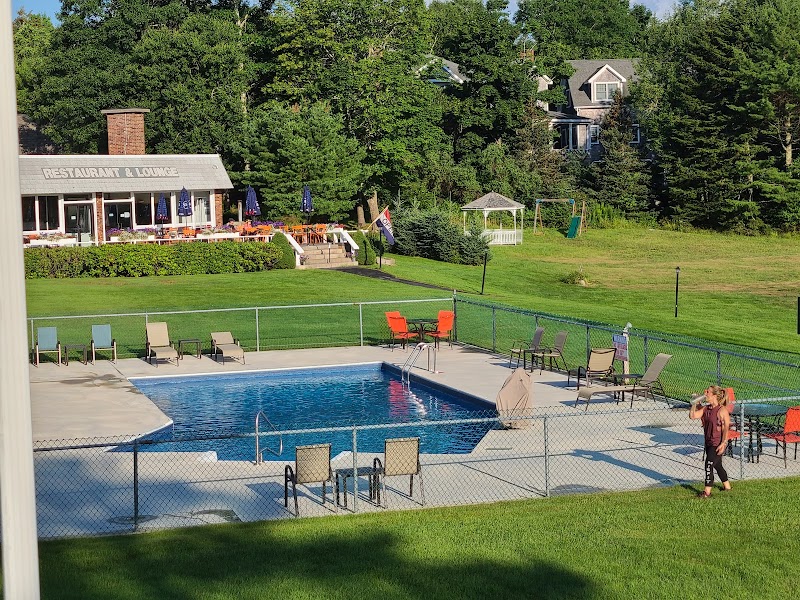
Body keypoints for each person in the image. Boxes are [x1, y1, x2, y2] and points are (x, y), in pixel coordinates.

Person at [689, 385, 732, 498]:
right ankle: (727, 487)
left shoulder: (722, 411)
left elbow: (726, 428)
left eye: (707, 392)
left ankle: (707, 492)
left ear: (713, 395)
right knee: (718, 465)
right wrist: (694, 403)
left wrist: (724, 443)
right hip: (708, 442)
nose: (705, 393)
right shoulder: (706, 409)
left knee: (709, 464)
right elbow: (692, 416)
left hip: (717, 443)